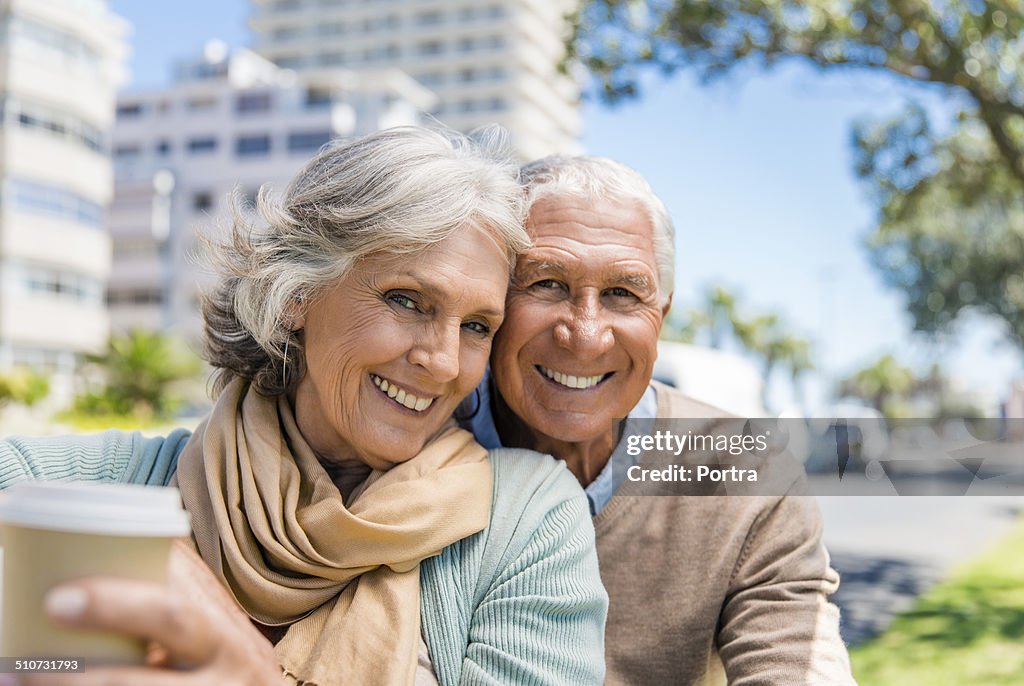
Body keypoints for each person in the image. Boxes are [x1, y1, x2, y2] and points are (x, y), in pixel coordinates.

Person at [0, 127, 607, 686]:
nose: (444, 362)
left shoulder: (527, 518)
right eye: (408, 300)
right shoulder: (102, 487)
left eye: (477, 326)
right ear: (296, 295)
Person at [461, 155, 857, 684]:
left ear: (661, 315)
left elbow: (798, 661)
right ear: (491, 303)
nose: (585, 334)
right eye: (546, 283)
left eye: (623, 293)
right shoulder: (418, 441)